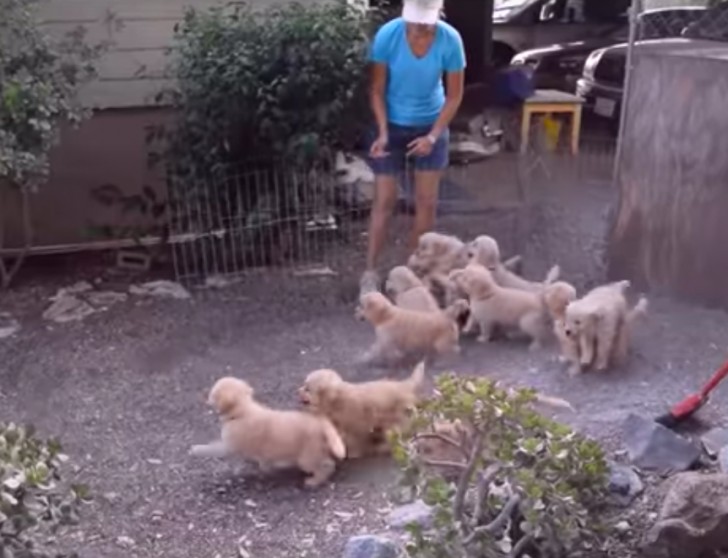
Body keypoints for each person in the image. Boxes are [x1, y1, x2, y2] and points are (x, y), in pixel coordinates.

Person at [360, 0, 466, 296]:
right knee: (385, 200)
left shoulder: (450, 40)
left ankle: (412, 274)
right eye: (415, 21)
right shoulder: (388, 36)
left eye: (426, 22)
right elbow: (377, 89)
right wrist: (382, 132)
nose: (420, 28)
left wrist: (433, 136)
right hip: (391, 124)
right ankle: (370, 272)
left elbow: (455, 96)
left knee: (426, 203)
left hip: (431, 123)